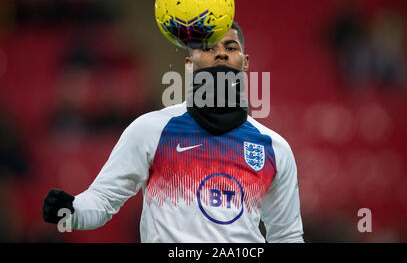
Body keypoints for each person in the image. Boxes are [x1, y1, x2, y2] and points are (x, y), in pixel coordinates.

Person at [42, 21, 304, 243]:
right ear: (190, 63)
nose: (221, 53)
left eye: (231, 47)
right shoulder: (150, 130)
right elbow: (103, 200)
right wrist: (72, 211)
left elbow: (288, 235)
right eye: (209, 47)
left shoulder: (275, 148)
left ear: (245, 62)